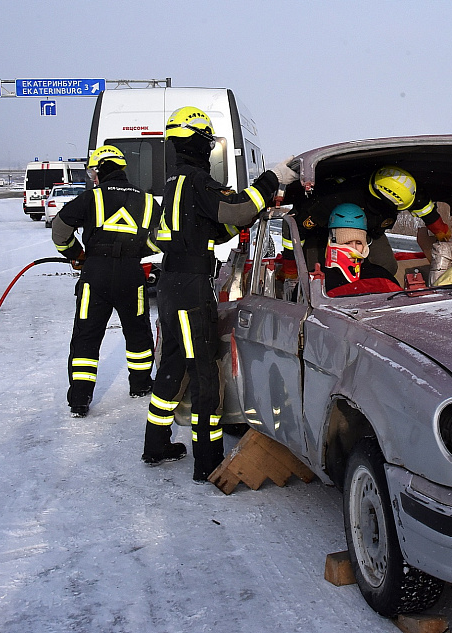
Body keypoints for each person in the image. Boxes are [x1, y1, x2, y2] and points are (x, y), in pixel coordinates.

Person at [141, 106, 297, 482]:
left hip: (171, 285)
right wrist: (271, 179)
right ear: (199, 143)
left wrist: (246, 216)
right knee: (205, 373)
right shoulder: (196, 181)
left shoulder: (173, 184)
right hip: (192, 288)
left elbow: (211, 229)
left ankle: (156, 444)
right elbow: (238, 210)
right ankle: (207, 461)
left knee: (175, 364)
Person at [51, 144, 162, 418]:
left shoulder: (92, 197)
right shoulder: (147, 200)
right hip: (131, 274)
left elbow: (60, 228)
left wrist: (76, 254)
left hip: (95, 273)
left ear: (101, 170)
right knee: (137, 331)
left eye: (93, 173)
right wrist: (138, 251)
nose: (93, 178)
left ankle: (80, 399)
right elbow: (163, 237)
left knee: (87, 336)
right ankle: (140, 384)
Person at [281, 165, 450, 278]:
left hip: (369, 232)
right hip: (322, 233)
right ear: (380, 199)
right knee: (319, 274)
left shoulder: (409, 191)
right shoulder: (334, 199)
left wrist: (441, 231)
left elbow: (426, 210)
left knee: (386, 267)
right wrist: (290, 265)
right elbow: (294, 228)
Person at [322, 203, 402, 297]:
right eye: (347, 243)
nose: (354, 249)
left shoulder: (381, 275)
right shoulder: (320, 280)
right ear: (333, 242)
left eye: (359, 243)